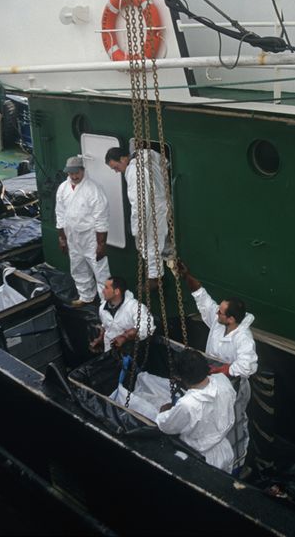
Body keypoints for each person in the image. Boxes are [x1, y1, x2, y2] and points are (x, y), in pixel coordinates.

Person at [178, 261, 258, 471]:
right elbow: (203, 299)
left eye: (221, 312)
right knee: (212, 419)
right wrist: (187, 276)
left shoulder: (243, 338)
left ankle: (238, 460)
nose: (216, 313)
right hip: (212, 380)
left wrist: (221, 369)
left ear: (231, 319)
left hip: (233, 387)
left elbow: (248, 365)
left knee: (233, 421)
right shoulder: (219, 322)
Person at [156, 349, 236, 473]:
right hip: (225, 450)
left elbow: (167, 427)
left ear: (180, 377)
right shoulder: (222, 381)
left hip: (200, 458)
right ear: (207, 367)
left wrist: (163, 412)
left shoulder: (187, 404)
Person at [105, 146, 171, 288]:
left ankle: (154, 279)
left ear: (123, 159)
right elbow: (164, 162)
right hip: (161, 201)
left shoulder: (134, 172)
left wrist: (136, 228)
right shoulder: (145, 156)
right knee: (154, 241)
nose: (117, 171)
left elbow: (140, 204)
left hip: (154, 209)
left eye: (116, 167)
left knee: (149, 242)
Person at [55, 155, 111, 307]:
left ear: (82, 170)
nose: (74, 176)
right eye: (71, 173)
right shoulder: (62, 188)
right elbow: (59, 213)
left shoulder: (93, 189)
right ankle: (86, 296)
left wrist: (101, 244)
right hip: (72, 237)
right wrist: (62, 238)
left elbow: (101, 218)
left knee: (101, 272)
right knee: (78, 268)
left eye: (76, 172)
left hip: (91, 237)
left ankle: (106, 304)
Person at [90, 276, 156, 352]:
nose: (103, 291)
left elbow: (148, 327)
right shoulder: (102, 308)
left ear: (117, 291)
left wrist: (125, 337)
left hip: (132, 353)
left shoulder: (135, 307)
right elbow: (106, 327)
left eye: (106, 288)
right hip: (110, 353)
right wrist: (100, 339)